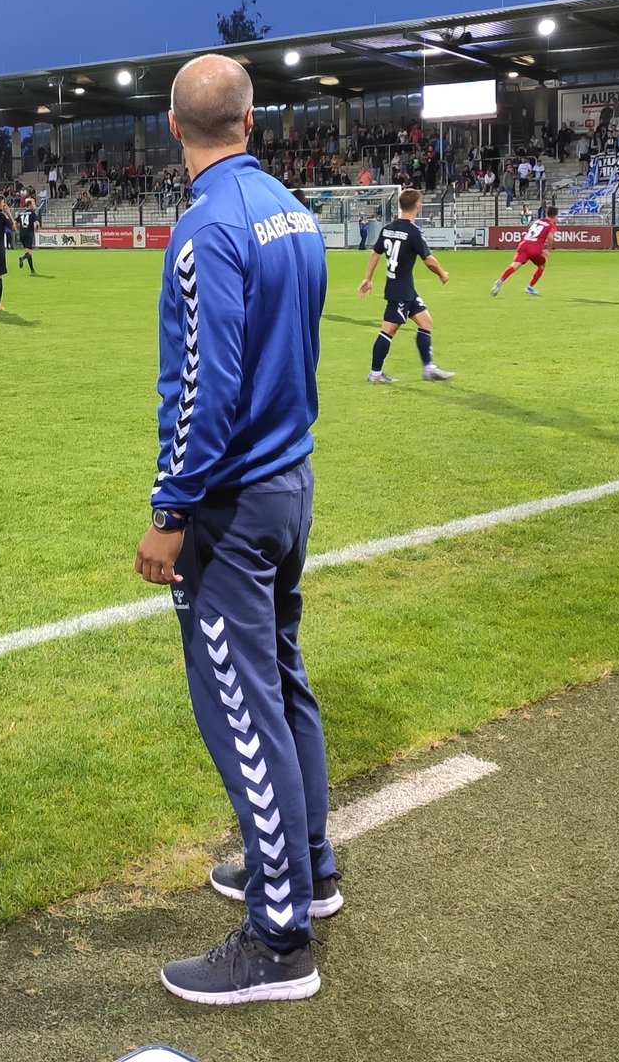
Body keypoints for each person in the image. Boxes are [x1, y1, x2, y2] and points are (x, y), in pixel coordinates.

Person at [132, 53, 335, 1005]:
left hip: (231, 503)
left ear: (173, 127)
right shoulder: (294, 212)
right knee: (286, 684)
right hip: (289, 481)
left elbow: (203, 388)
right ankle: (310, 867)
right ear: (252, 122)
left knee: (243, 712)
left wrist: (171, 511)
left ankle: (278, 938)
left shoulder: (204, 229)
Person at [357, 186, 452, 382]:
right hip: (400, 291)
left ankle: (429, 368)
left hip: (404, 288)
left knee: (426, 322)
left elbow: (375, 252)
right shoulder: (413, 232)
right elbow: (429, 260)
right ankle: (375, 374)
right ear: (417, 205)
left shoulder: (388, 229)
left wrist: (368, 277)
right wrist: (442, 274)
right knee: (388, 330)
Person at [491, 206, 556, 297]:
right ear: (555, 216)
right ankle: (530, 287)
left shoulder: (537, 221)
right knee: (541, 266)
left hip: (523, 244)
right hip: (534, 248)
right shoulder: (551, 225)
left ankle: (500, 280)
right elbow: (550, 237)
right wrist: (548, 249)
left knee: (514, 266)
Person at [14, 198, 39, 274]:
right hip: (29, 234)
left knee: (28, 251)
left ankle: (32, 269)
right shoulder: (32, 213)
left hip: (22, 234)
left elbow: (15, 221)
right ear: (30, 205)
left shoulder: (21, 213)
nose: (34, 205)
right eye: (33, 204)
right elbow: (36, 223)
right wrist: (36, 229)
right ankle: (22, 258)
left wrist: (16, 228)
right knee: (29, 252)